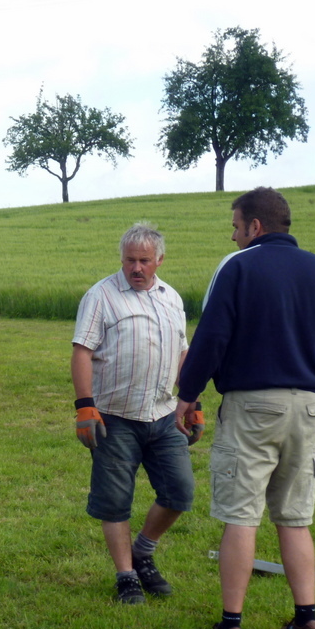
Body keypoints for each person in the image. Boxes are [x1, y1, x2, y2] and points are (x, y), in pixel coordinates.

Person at [176, 187, 315, 629]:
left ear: (255, 226)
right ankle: (306, 622)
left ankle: (230, 626)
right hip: (310, 405)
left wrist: (187, 395)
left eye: (236, 226)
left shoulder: (239, 267)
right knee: (295, 518)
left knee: (241, 516)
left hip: (253, 406)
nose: (233, 235)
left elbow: (212, 337)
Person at [71, 223, 194, 604]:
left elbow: (182, 351)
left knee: (179, 491)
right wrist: (85, 406)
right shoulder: (101, 296)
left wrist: (192, 402)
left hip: (164, 414)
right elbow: (82, 351)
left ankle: (143, 551)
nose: (136, 268)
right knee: (115, 500)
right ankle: (126, 576)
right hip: (114, 416)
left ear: (160, 260)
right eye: (129, 261)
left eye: (144, 261)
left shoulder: (171, 297)